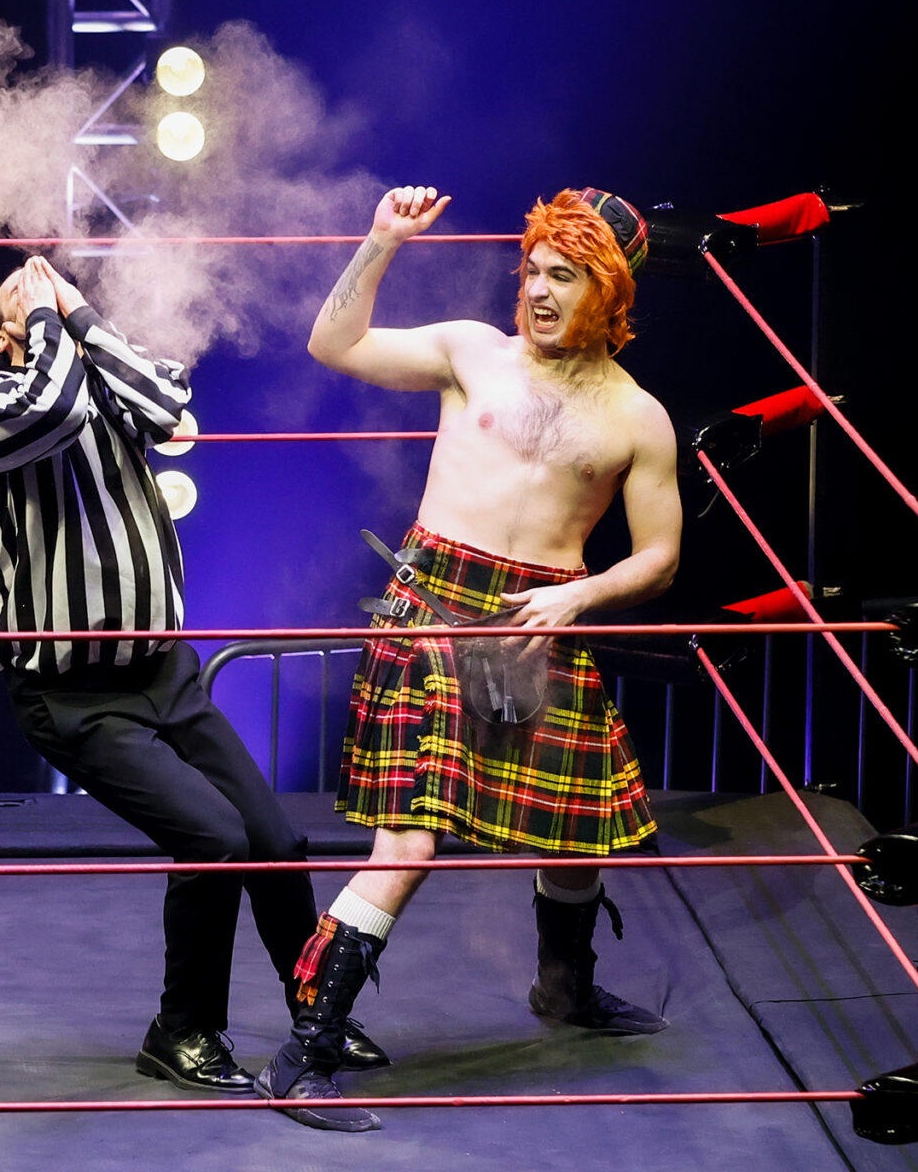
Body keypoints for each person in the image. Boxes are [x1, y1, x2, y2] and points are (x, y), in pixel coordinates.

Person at [260, 186, 683, 1132]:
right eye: (531, 268)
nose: (536, 289)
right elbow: (335, 346)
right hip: (437, 613)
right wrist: (379, 241)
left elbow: (659, 556)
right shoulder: (470, 352)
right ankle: (304, 1054)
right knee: (409, 841)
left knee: (579, 824)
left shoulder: (638, 418)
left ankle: (564, 989)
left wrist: (582, 591)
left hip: (541, 618)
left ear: (607, 292)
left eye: (562, 276)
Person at [0, 255, 388, 1095]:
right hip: (73, 698)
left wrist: (79, 315)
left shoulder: (107, 385)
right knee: (214, 841)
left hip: (165, 676)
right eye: (27, 299)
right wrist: (48, 320)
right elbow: (48, 407)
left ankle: (316, 1016)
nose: (43, 287)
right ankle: (181, 1029)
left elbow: (169, 402)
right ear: (7, 335)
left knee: (275, 841)